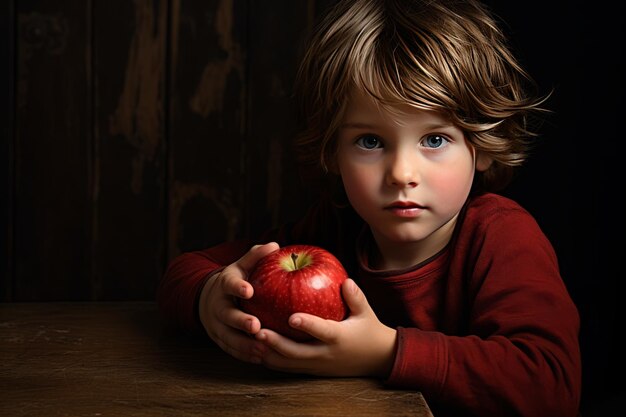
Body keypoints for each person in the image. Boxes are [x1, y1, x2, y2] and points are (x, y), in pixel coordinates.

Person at [157, 0, 581, 415]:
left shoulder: (500, 237)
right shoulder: (334, 231)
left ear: (482, 147)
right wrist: (209, 300)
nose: (401, 173)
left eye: (434, 139)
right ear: (332, 152)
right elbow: (185, 271)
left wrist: (385, 352)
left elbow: (550, 385)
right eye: (370, 142)